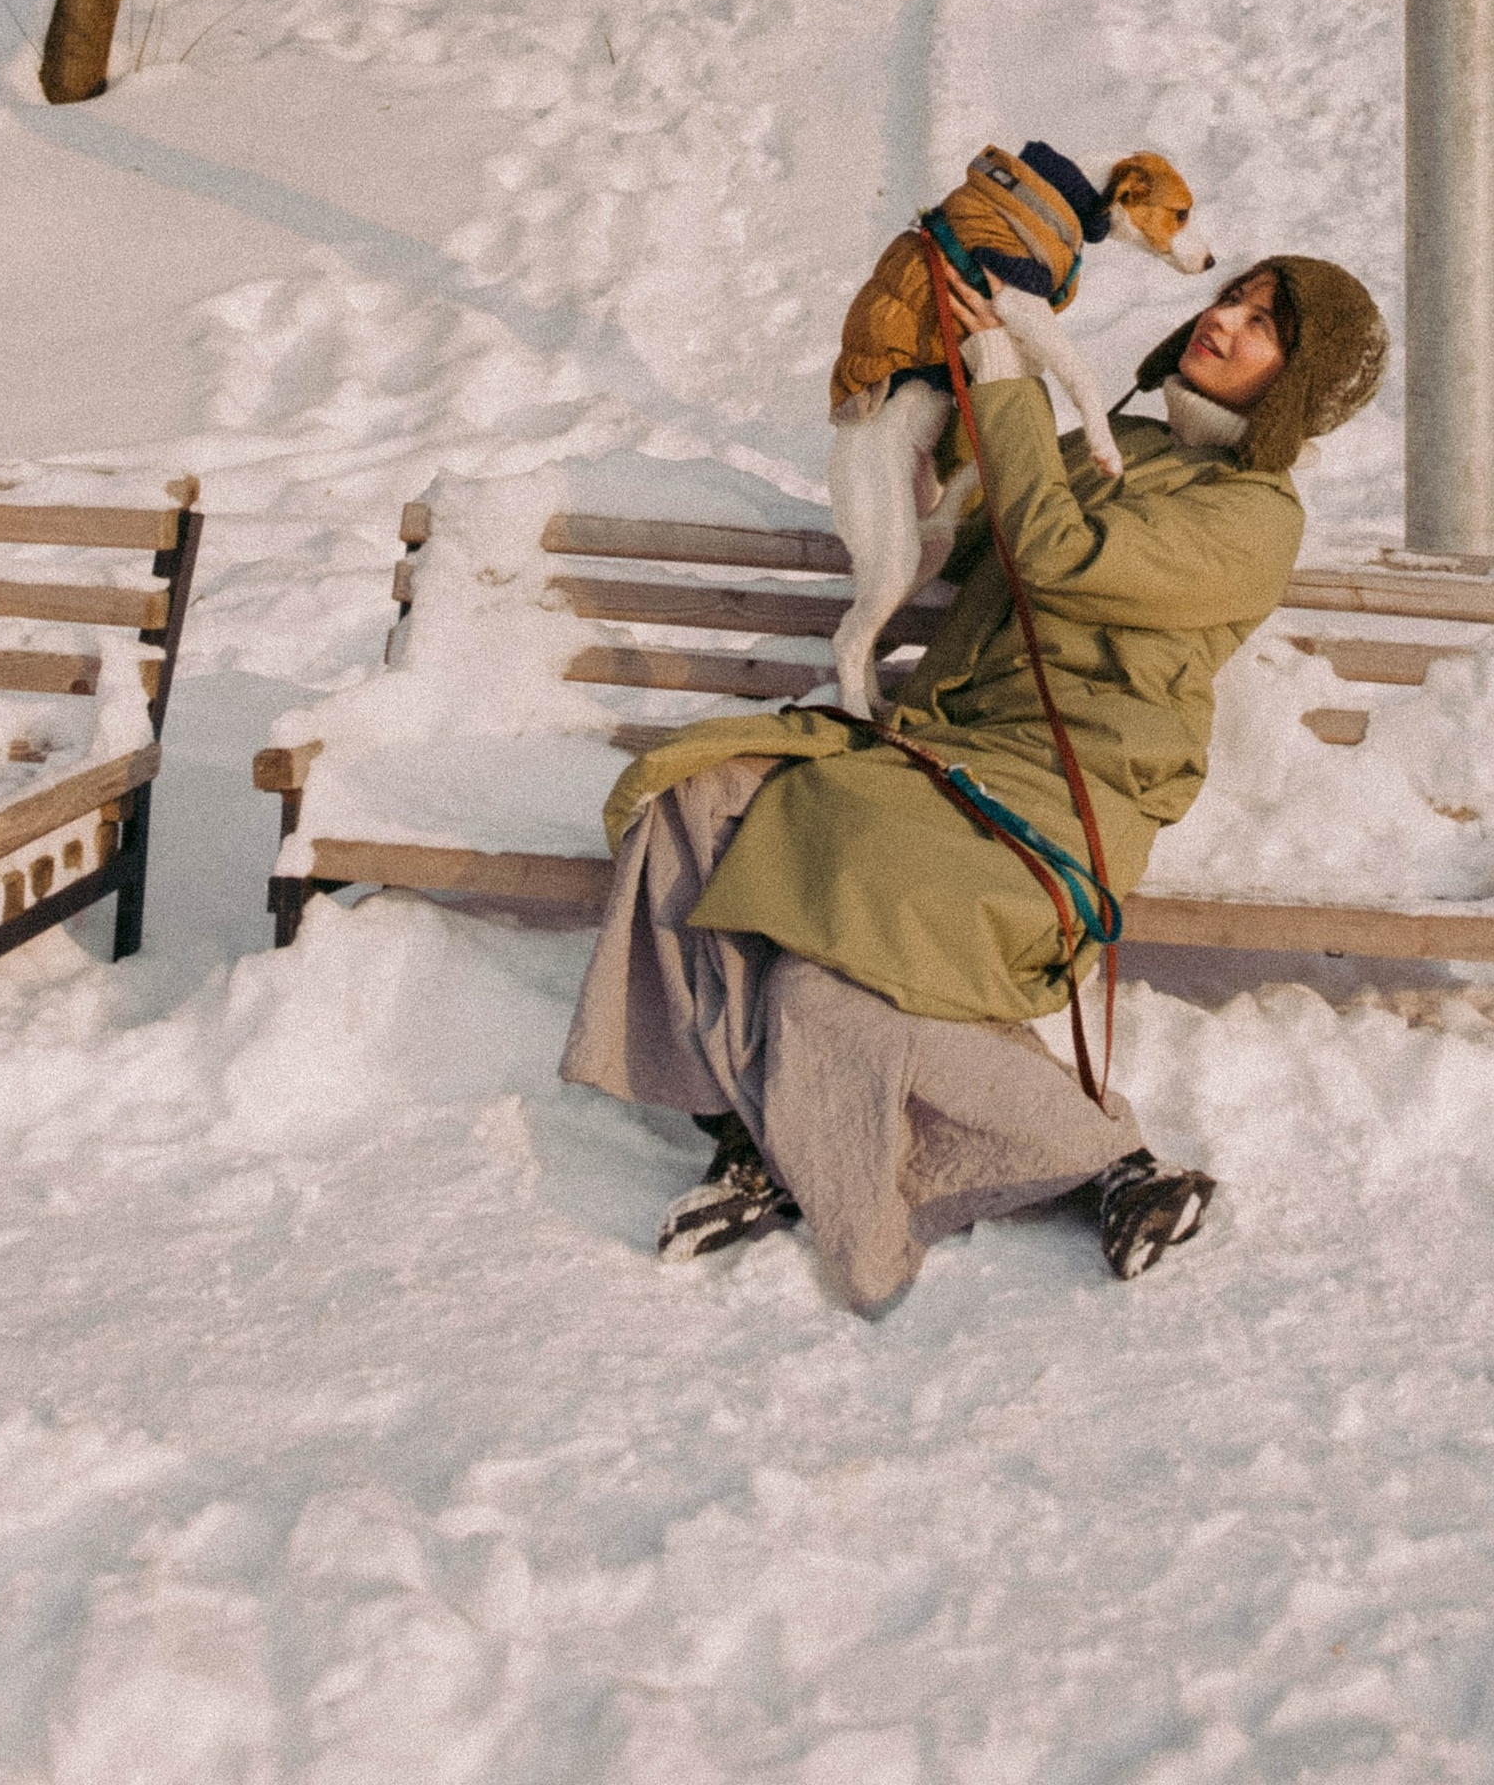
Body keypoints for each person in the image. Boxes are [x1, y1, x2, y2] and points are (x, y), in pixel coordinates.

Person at [561, 253, 1389, 1313]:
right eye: (1232, 296)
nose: (1222, 319)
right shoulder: (1119, 443)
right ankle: (753, 1126)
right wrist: (935, 400)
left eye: (1264, 324)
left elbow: (1056, 556)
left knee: (829, 984)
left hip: (1054, 799)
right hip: (935, 758)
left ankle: (1111, 1164)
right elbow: (978, 544)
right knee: (690, 800)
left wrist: (1010, 379)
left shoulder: (1252, 517)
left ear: (1296, 384)